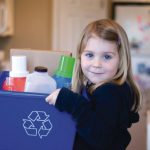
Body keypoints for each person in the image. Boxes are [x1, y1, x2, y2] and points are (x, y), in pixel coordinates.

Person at [45, 19, 142, 150]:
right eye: (90, 55)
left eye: (107, 57)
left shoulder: (111, 92)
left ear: (121, 60)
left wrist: (70, 101)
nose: (96, 64)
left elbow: (100, 138)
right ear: (80, 57)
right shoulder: (99, 87)